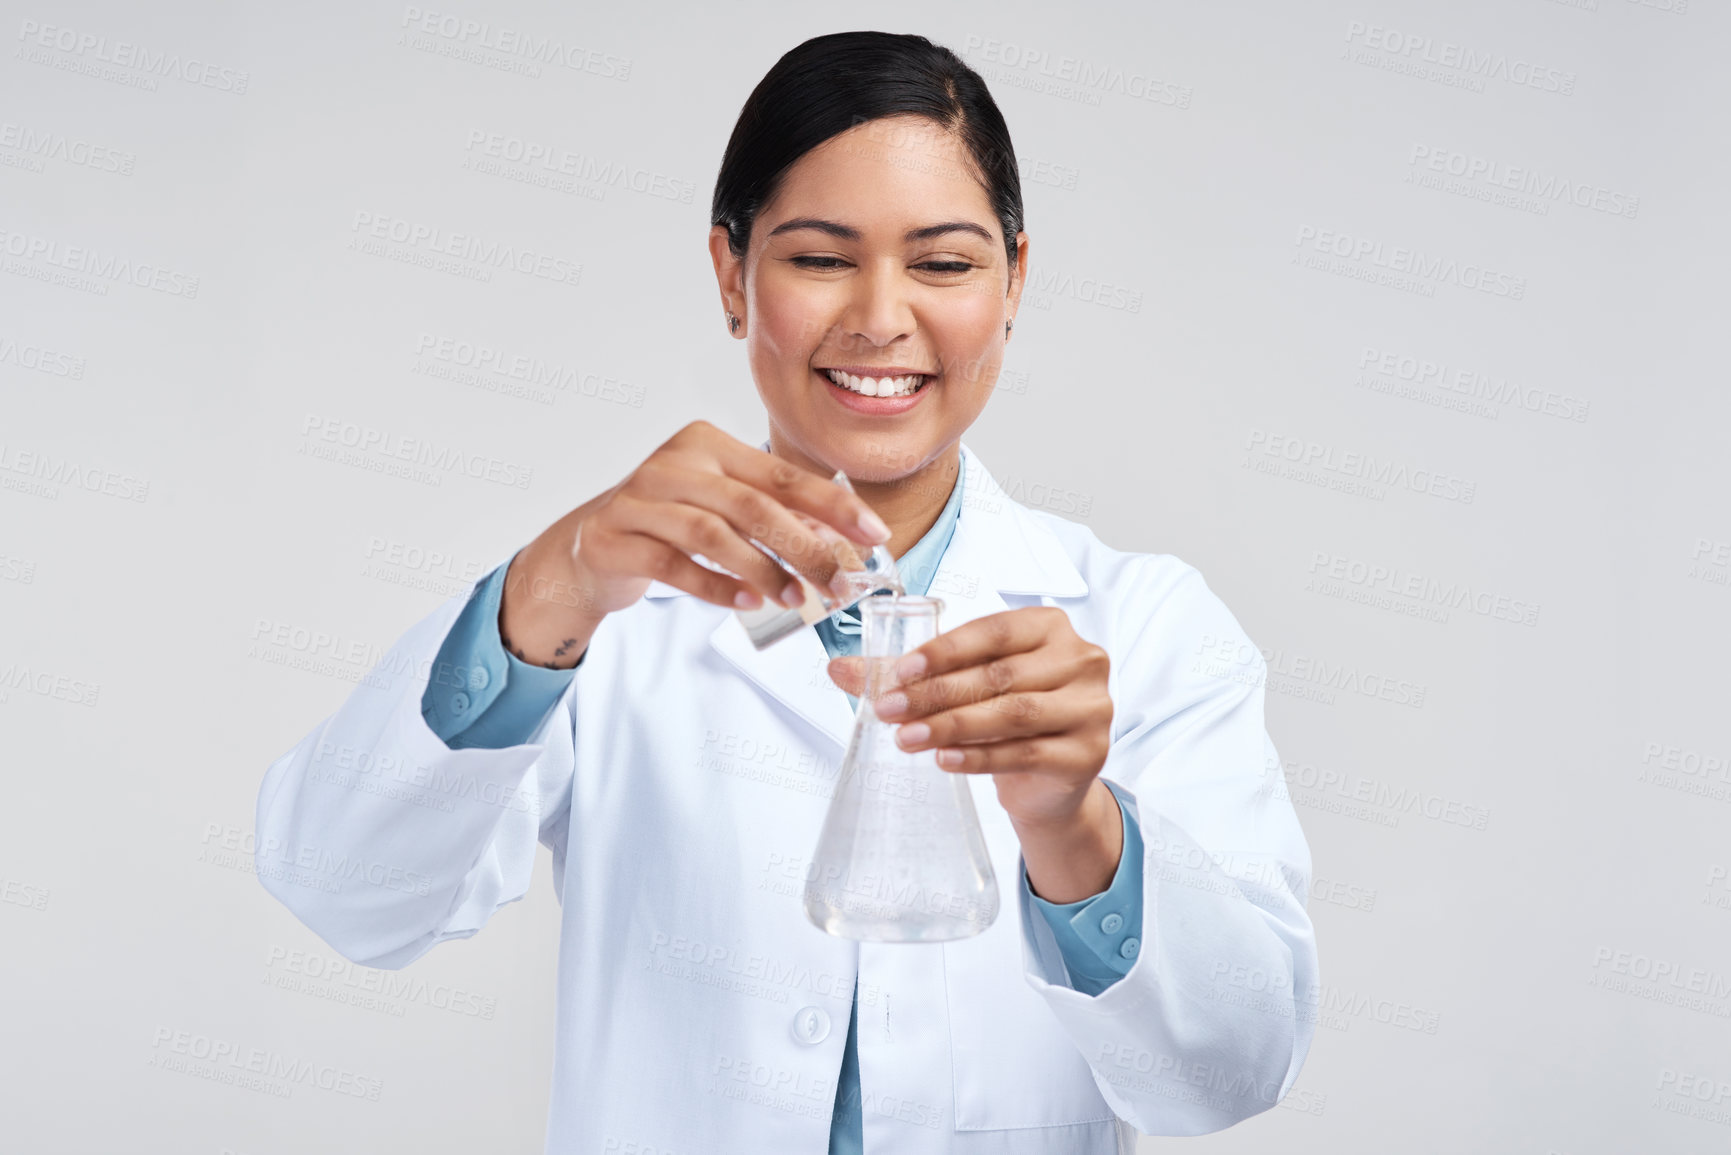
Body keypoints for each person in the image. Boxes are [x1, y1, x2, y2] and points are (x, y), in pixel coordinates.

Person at [255, 30, 1318, 1155]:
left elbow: (1227, 1076)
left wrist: (1075, 824)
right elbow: (344, 892)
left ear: (1014, 282)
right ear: (732, 275)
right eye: (818, 258)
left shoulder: (1145, 626)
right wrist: (550, 588)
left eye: (944, 264)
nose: (879, 317)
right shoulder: (608, 617)